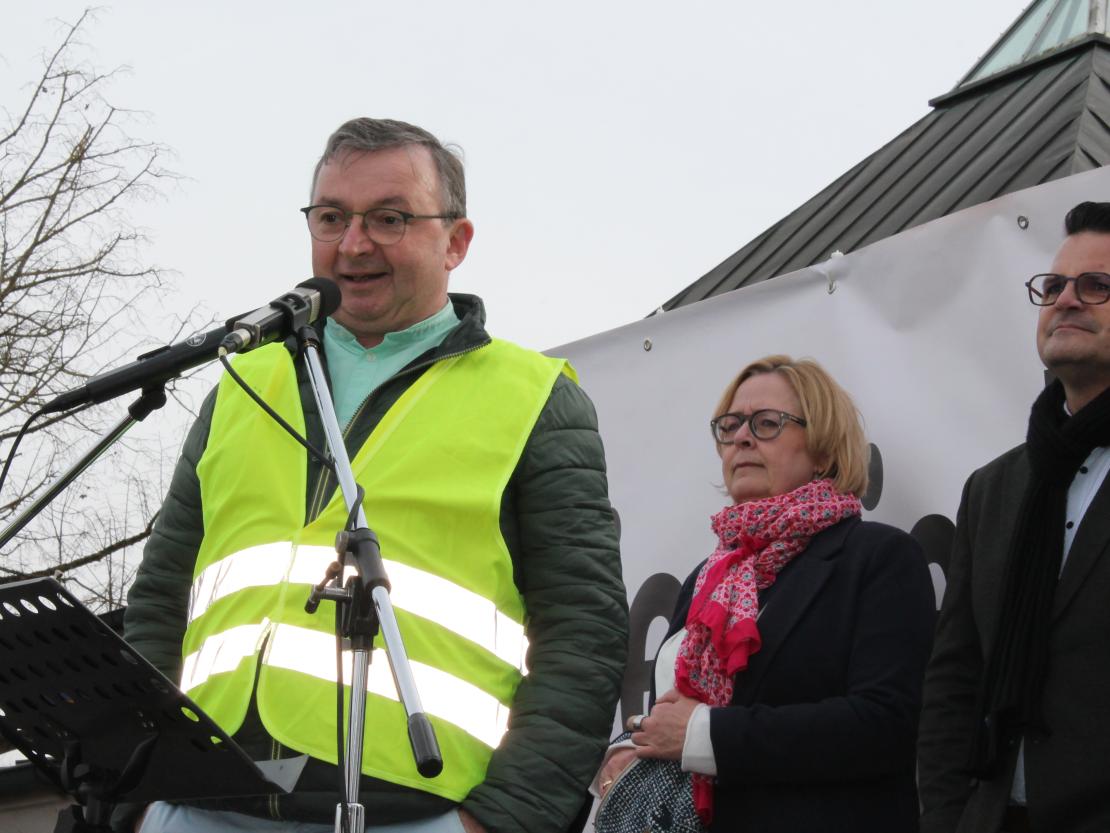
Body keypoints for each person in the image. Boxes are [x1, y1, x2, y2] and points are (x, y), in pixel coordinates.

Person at [122, 118, 628, 833]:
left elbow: (585, 630)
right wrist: (135, 791)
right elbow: (159, 601)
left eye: (389, 218)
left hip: (415, 813)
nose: (353, 243)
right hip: (196, 804)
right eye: (332, 217)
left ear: (456, 242)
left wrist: (504, 821)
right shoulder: (242, 382)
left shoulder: (534, 396)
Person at [596, 355, 935, 833]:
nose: (742, 438)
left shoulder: (878, 557)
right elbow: (672, 714)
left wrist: (702, 735)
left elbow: (885, 725)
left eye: (767, 423)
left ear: (823, 447)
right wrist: (631, 748)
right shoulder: (708, 575)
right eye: (730, 425)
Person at [918, 202, 1110, 833]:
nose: (1066, 301)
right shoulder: (994, 487)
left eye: (1097, 286)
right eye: (1054, 285)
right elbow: (955, 679)